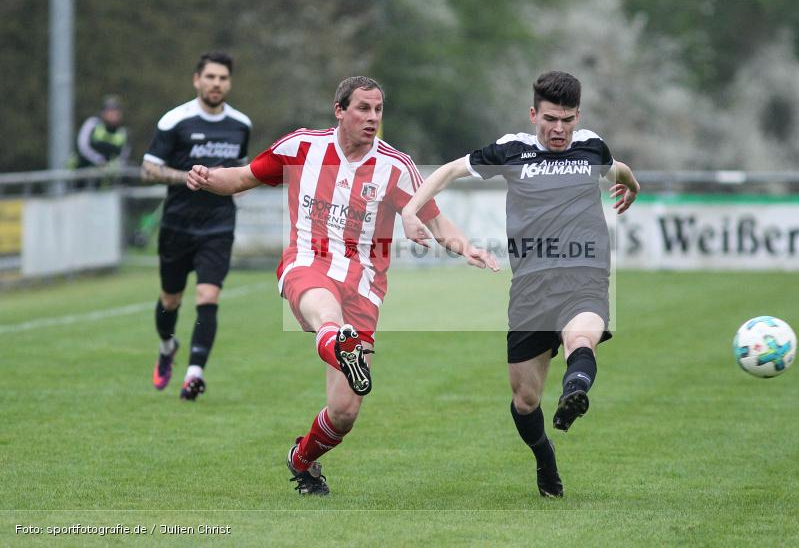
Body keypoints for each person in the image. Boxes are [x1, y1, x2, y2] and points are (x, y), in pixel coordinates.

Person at [186, 75, 497, 496]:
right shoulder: (302, 147)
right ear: (339, 110)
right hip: (307, 263)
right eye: (363, 108)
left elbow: (437, 222)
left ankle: (302, 460)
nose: (372, 117)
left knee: (344, 412)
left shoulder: (396, 167)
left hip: (364, 287)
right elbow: (242, 178)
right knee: (326, 313)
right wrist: (207, 177)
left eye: (378, 110)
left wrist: (467, 247)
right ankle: (339, 341)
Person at [401, 70, 640, 498]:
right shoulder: (512, 150)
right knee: (525, 400)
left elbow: (616, 168)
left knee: (580, 338)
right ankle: (544, 456)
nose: (559, 129)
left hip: (584, 274)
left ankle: (574, 391)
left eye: (567, 119)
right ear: (534, 115)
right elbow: (450, 171)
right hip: (531, 288)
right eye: (550, 119)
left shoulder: (591, 146)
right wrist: (410, 210)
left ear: (577, 116)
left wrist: (632, 186)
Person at [141, 52, 252, 401]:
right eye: (210, 77)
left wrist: (238, 184)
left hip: (218, 225)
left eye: (223, 78)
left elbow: (241, 169)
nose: (216, 83)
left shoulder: (241, 124)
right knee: (170, 299)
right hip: (178, 225)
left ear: (229, 83)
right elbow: (149, 168)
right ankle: (167, 346)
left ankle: (194, 374)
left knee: (208, 295)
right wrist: (186, 176)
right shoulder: (176, 120)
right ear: (197, 80)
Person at [74, 95, 130, 185]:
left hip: (107, 175)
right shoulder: (92, 124)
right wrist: (99, 160)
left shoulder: (122, 132)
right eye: (110, 111)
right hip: (84, 170)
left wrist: (111, 166)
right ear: (103, 112)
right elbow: (82, 146)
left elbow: (123, 155)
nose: (113, 115)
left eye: (116, 111)